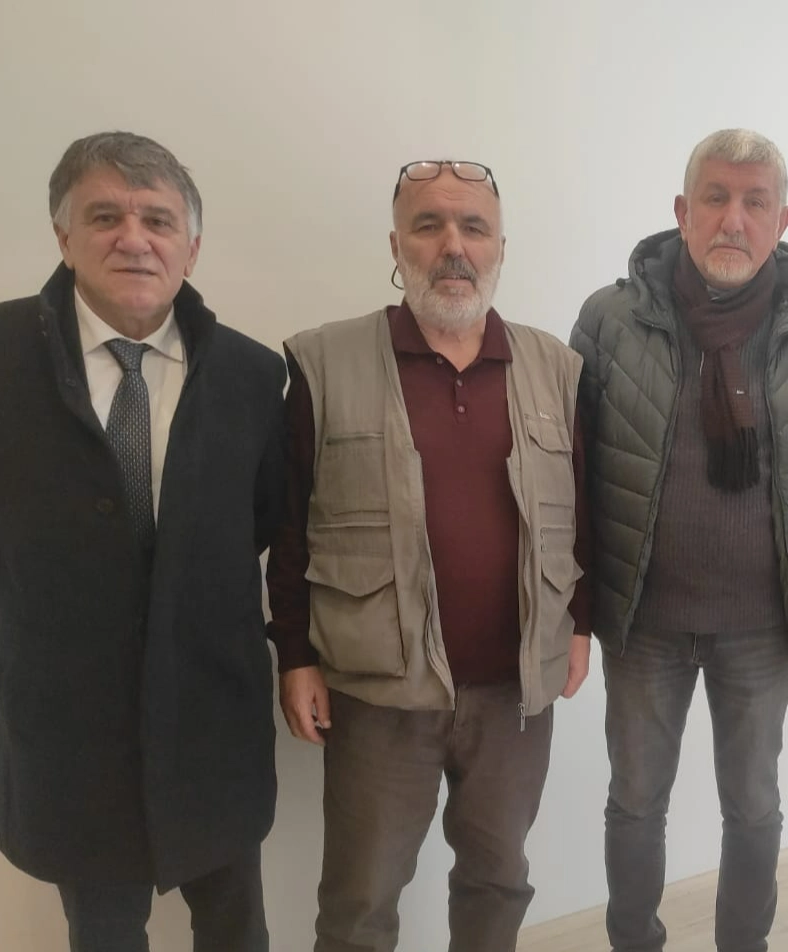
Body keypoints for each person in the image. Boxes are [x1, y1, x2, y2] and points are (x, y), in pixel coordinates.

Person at [265, 159, 591, 952]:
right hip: (380, 696)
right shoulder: (325, 362)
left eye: (474, 227)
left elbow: (580, 513)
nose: (453, 246)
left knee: (499, 882)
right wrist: (295, 655)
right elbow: (290, 524)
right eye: (428, 225)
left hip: (514, 695)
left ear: (500, 247)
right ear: (396, 245)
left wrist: (580, 625)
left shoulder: (555, 367)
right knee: (360, 903)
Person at [570, 128, 788, 952]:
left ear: (783, 220)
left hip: (762, 629)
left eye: (755, 202)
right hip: (645, 623)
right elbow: (575, 476)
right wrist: (576, 613)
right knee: (635, 801)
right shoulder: (609, 321)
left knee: (754, 806)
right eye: (716, 198)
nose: (734, 219)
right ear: (682, 210)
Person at [0, 131, 286, 951]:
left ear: (190, 249)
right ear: (64, 237)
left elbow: (263, 522)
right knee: (104, 931)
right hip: (69, 725)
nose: (134, 238)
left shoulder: (251, 375)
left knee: (235, 925)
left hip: (212, 718)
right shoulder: (5, 355)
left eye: (158, 220)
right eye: (105, 216)